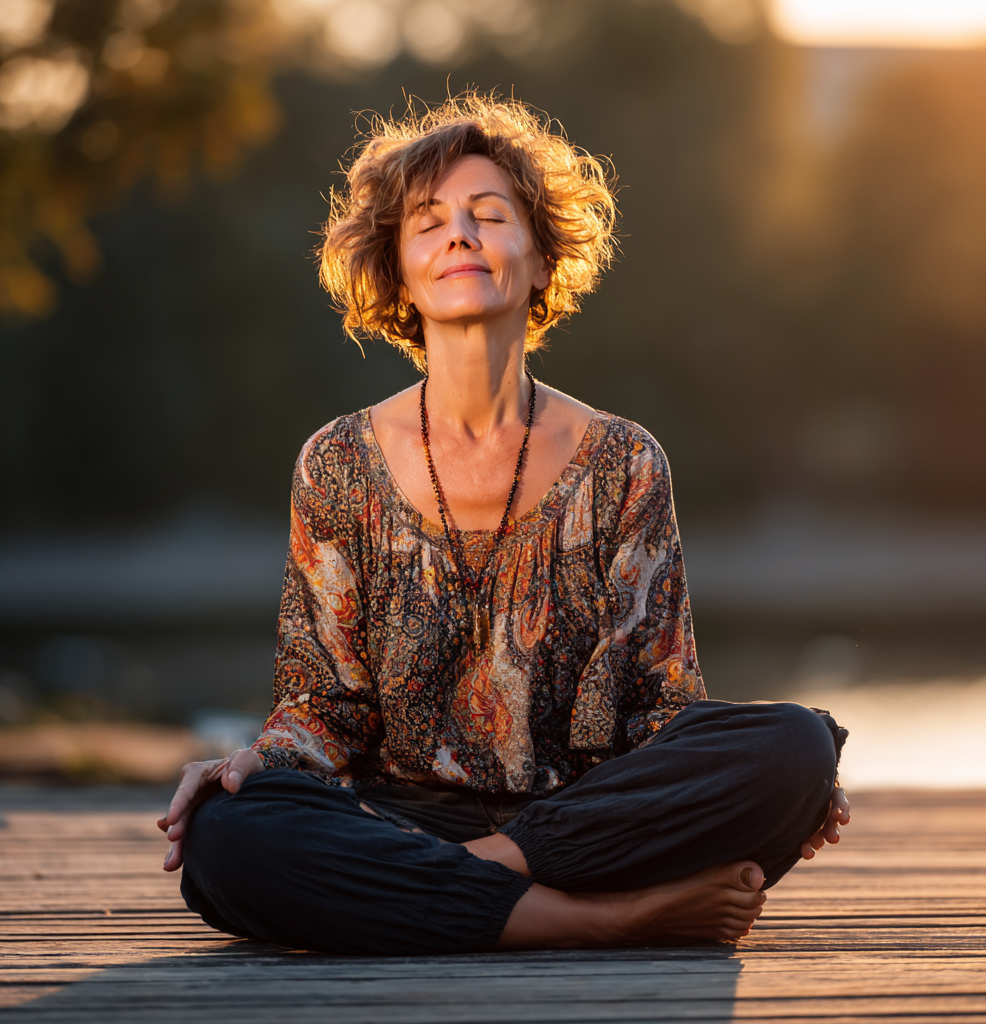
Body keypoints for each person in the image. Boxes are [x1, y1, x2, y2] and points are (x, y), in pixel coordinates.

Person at [158, 95, 850, 956]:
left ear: (539, 260)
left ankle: (460, 888)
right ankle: (604, 920)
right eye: (429, 223)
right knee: (226, 837)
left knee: (796, 741)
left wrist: (784, 779)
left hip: (584, 820)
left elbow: (660, 707)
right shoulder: (335, 463)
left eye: (490, 215)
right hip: (400, 816)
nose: (460, 235)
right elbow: (324, 705)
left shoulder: (624, 460)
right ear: (398, 271)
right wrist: (257, 761)